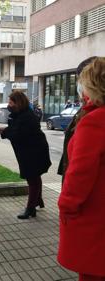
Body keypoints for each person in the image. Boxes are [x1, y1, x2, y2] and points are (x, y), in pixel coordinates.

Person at [58, 57, 105, 281]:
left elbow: (80, 172)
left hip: (94, 216)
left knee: (92, 272)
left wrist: (66, 205)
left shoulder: (95, 120)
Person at [0, 91, 51, 219]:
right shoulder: (21, 113)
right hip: (30, 151)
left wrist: (4, 131)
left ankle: (30, 209)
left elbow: (18, 133)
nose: (9, 105)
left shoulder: (26, 116)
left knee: (32, 179)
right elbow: (15, 128)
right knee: (35, 178)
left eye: (11, 102)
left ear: (18, 102)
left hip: (34, 152)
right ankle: (37, 201)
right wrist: (5, 130)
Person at [58, 56, 97, 181]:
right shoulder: (86, 109)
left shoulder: (94, 117)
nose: (79, 85)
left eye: (81, 80)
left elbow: (82, 169)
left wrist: (66, 199)